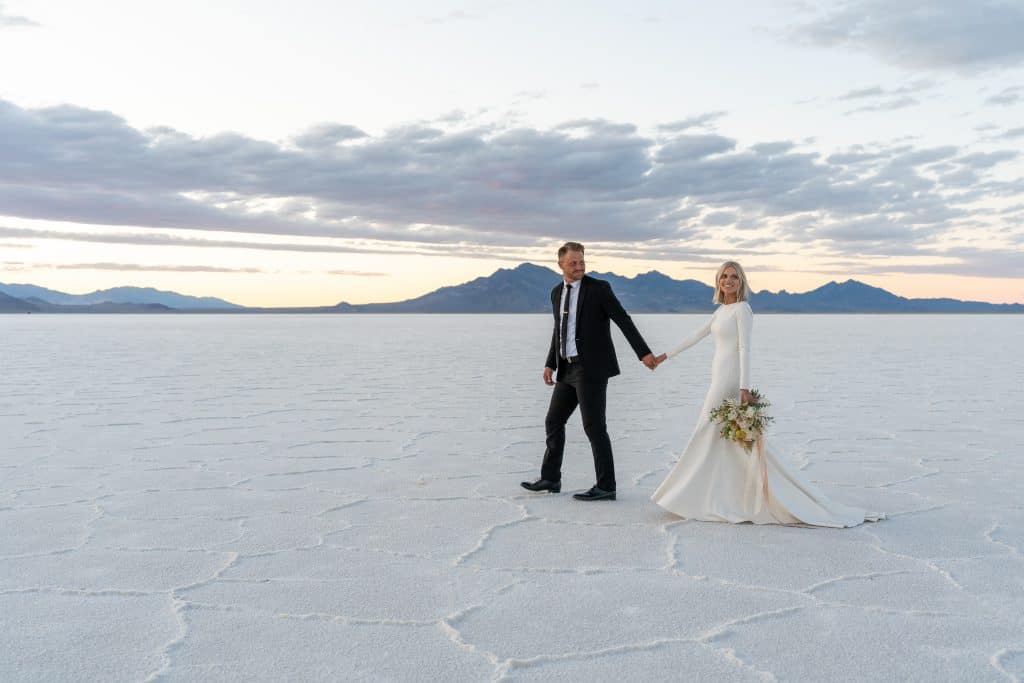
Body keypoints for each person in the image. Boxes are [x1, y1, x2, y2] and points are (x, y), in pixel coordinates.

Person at [650, 261, 882, 526]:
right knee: (724, 439)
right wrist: (664, 357)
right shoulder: (720, 312)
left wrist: (744, 388)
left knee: (707, 430)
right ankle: (715, 495)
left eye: (734, 277)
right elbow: (695, 336)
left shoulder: (742, 310)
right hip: (719, 377)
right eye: (724, 276)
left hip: (730, 381)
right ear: (718, 281)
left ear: (742, 282)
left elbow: (744, 349)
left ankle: (687, 495)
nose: (728, 280)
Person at [521, 242, 658, 501]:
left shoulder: (599, 289)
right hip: (567, 368)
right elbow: (559, 331)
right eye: (573, 263)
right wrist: (550, 362)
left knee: (594, 427)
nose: (579, 266)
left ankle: (606, 486)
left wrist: (644, 354)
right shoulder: (555, 293)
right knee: (554, 421)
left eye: (582, 261)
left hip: (592, 368)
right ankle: (551, 477)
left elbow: (623, 319)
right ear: (560, 264)